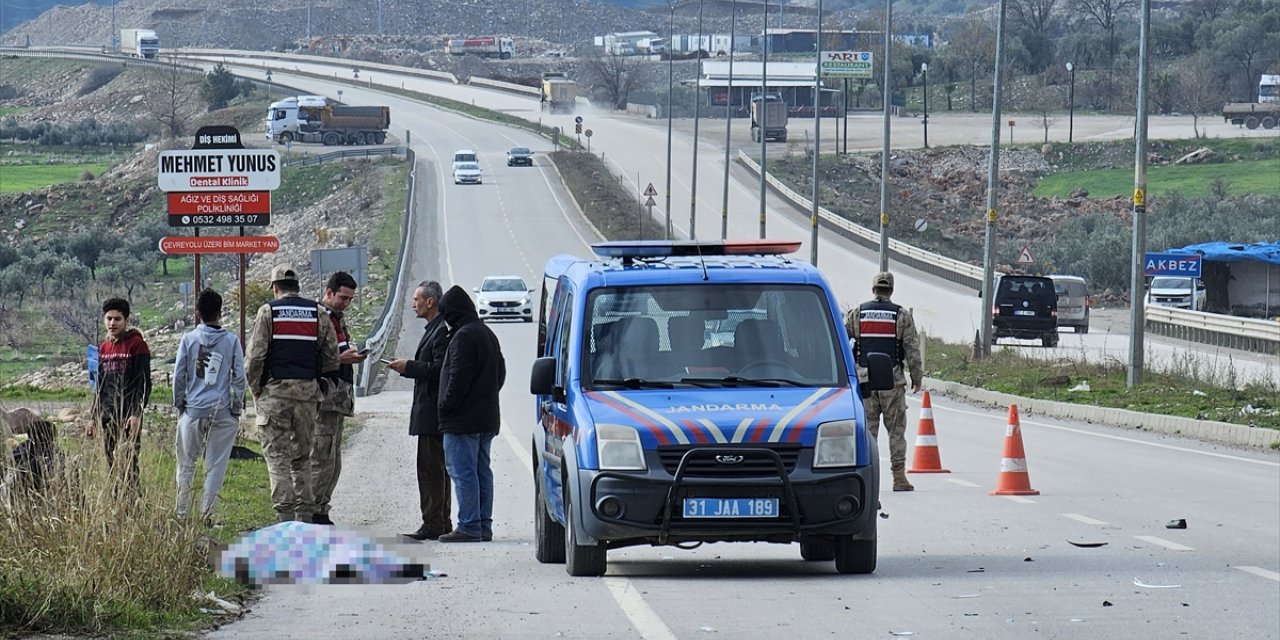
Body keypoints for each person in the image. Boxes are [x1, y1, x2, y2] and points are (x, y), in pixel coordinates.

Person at [246, 264, 340, 523]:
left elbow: (255, 357)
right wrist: (320, 385)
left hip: (274, 396)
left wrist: (256, 389)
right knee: (303, 459)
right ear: (297, 287)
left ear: (275, 288)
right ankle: (306, 519)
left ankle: (284, 520)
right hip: (308, 397)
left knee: (277, 460)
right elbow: (332, 357)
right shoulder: (318, 313)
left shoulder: (268, 312)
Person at [436, 285, 505, 543]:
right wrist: (485, 396)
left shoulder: (463, 336)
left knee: (463, 471)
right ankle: (483, 525)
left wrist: (445, 404)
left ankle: (469, 525)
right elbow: (501, 372)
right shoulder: (487, 333)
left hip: (462, 420)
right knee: (481, 471)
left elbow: (458, 378)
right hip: (486, 417)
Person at [845, 271, 924, 492]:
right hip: (892, 381)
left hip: (864, 382)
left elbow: (841, 340)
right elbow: (912, 349)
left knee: (868, 433)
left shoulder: (857, 313)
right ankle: (899, 478)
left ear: (873, 289)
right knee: (896, 431)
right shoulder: (901, 315)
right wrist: (917, 377)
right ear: (891, 290)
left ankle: (866, 479)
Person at [172, 288, 246, 524]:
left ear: (197, 313)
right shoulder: (231, 341)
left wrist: (180, 403)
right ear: (220, 312)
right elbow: (239, 378)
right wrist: (236, 407)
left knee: (186, 463)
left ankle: (182, 513)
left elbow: (179, 375)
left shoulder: (188, 339)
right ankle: (207, 515)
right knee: (215, 465)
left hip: (193, 410)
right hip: (222, 411)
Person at [386, 280, 453, 541]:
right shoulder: (434, 329)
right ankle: (440, 519)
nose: (413, 304)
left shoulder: (441, 331)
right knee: (435, 469)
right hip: (428, 410)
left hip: (432, 413)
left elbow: (439, 369)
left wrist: (409, 367)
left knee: (430, 470)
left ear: (430, 301)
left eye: (416, 299)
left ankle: (433, 522)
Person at [311, 272, 368, 526]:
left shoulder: (337, 319)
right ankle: (312, 510)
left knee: (333, 459)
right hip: (324, 398)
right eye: (343, 297)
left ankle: (322, 507)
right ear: (329, 292)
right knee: (320, 456)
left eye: (350, 299)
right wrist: (341, 358)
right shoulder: (318, 317)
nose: (346, 303)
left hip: (338, 399)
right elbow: (315, 357)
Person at [89, 297, 152, 491]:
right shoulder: (103, 348)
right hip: (108, 416)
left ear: (126, 320)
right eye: (108, 318)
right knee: (111, 462)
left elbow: (144, 384)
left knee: (129, 463)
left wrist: (136, 414)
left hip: (128, 417)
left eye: (117, 319)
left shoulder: (137, 345)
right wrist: (93, 418)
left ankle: (134, 504)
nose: (112, 323)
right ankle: (116, 505)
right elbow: (99, 386)